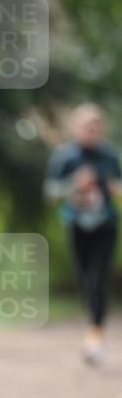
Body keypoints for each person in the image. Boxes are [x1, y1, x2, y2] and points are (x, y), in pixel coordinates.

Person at [44, 103, 121, 364]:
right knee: (86, 278)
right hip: (77, 224)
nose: (92, 131)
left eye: (96, 126)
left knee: (99, 276)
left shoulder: (110, 156)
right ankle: (93, 325)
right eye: (87, 126)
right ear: (77, 128)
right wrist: (74, 184)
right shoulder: (65, 157)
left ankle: (95, 334)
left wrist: (114, 189)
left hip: (105, 224)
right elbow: (50, 193)